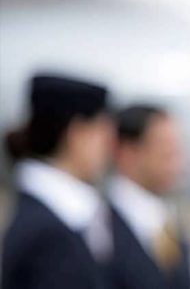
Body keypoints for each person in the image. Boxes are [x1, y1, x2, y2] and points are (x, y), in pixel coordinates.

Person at [2, 74, 114, 289]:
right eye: (102, 131)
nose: (108, 147)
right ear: (76, 134)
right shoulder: (49, 235)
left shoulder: (47, 219)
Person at [105, 105, 190, 289]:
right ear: (127, 153)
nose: (178, 164)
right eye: (166, 152)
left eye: (176, 151)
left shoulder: (169, 224)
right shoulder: (97, 228)